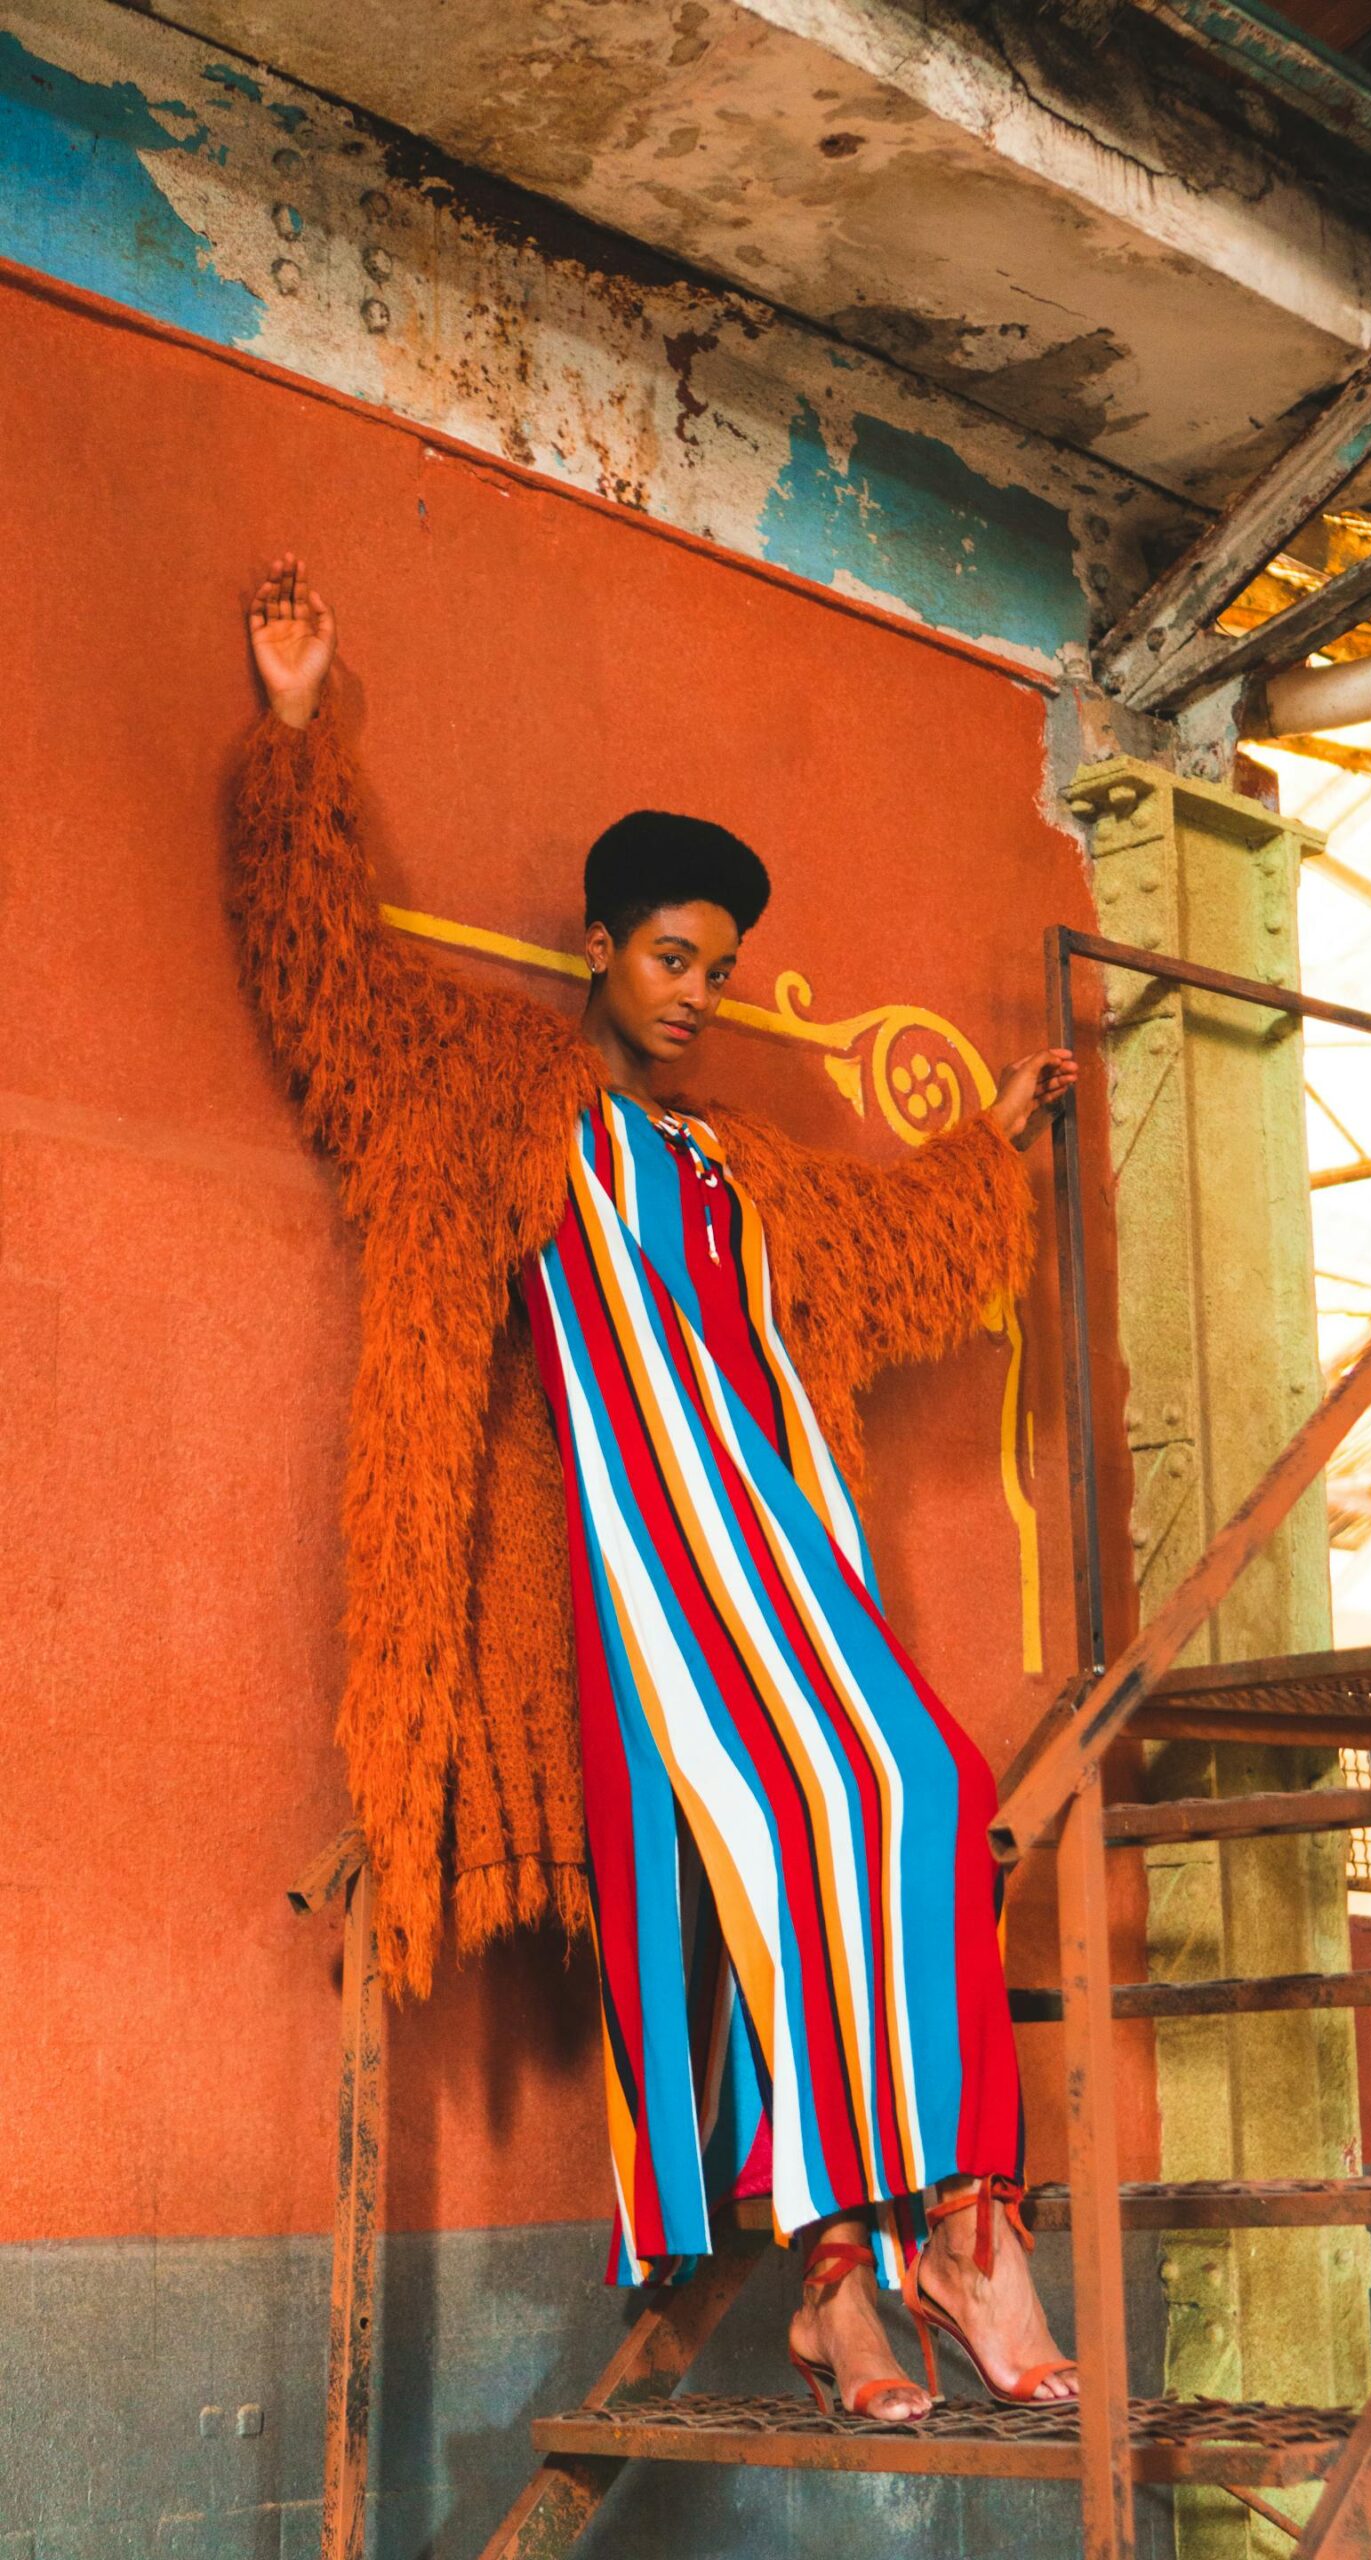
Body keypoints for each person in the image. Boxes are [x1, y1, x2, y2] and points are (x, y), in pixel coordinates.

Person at [237, 555, 1079, 2423]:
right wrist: (295, 735)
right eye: (669, 958)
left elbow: (901, 1242)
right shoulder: (502, 1095)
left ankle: (962, 2226)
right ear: (603, 953)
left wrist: (994, 1155)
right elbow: (336, 1002)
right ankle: (840, 2282)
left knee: (925, 1784)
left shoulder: (750, 1170)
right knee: (757, 1851)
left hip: (783, 1576)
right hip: (626, 1604)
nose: (696, 994)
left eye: (717, 965)